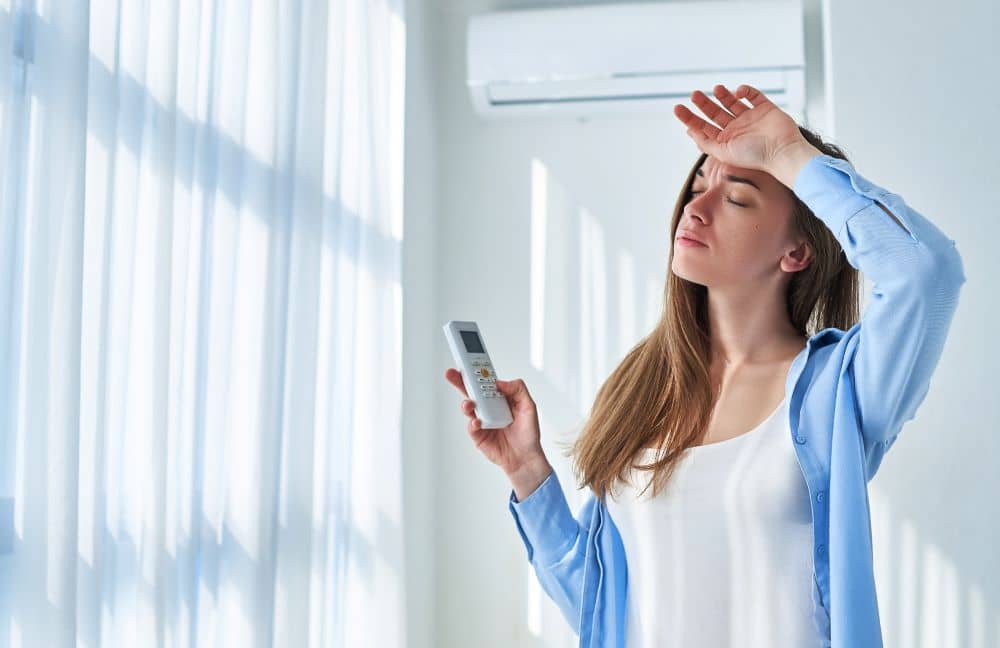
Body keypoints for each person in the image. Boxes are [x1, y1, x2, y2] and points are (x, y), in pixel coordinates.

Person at [444, 83, 965, 648]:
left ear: (796, 253)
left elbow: (923, 270)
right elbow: (602, 607)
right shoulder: (643, 391)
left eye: (737, 198)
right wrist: (527, 473)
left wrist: (789, 155)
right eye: (697, 186)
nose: (696, 208)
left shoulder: (839, 389)